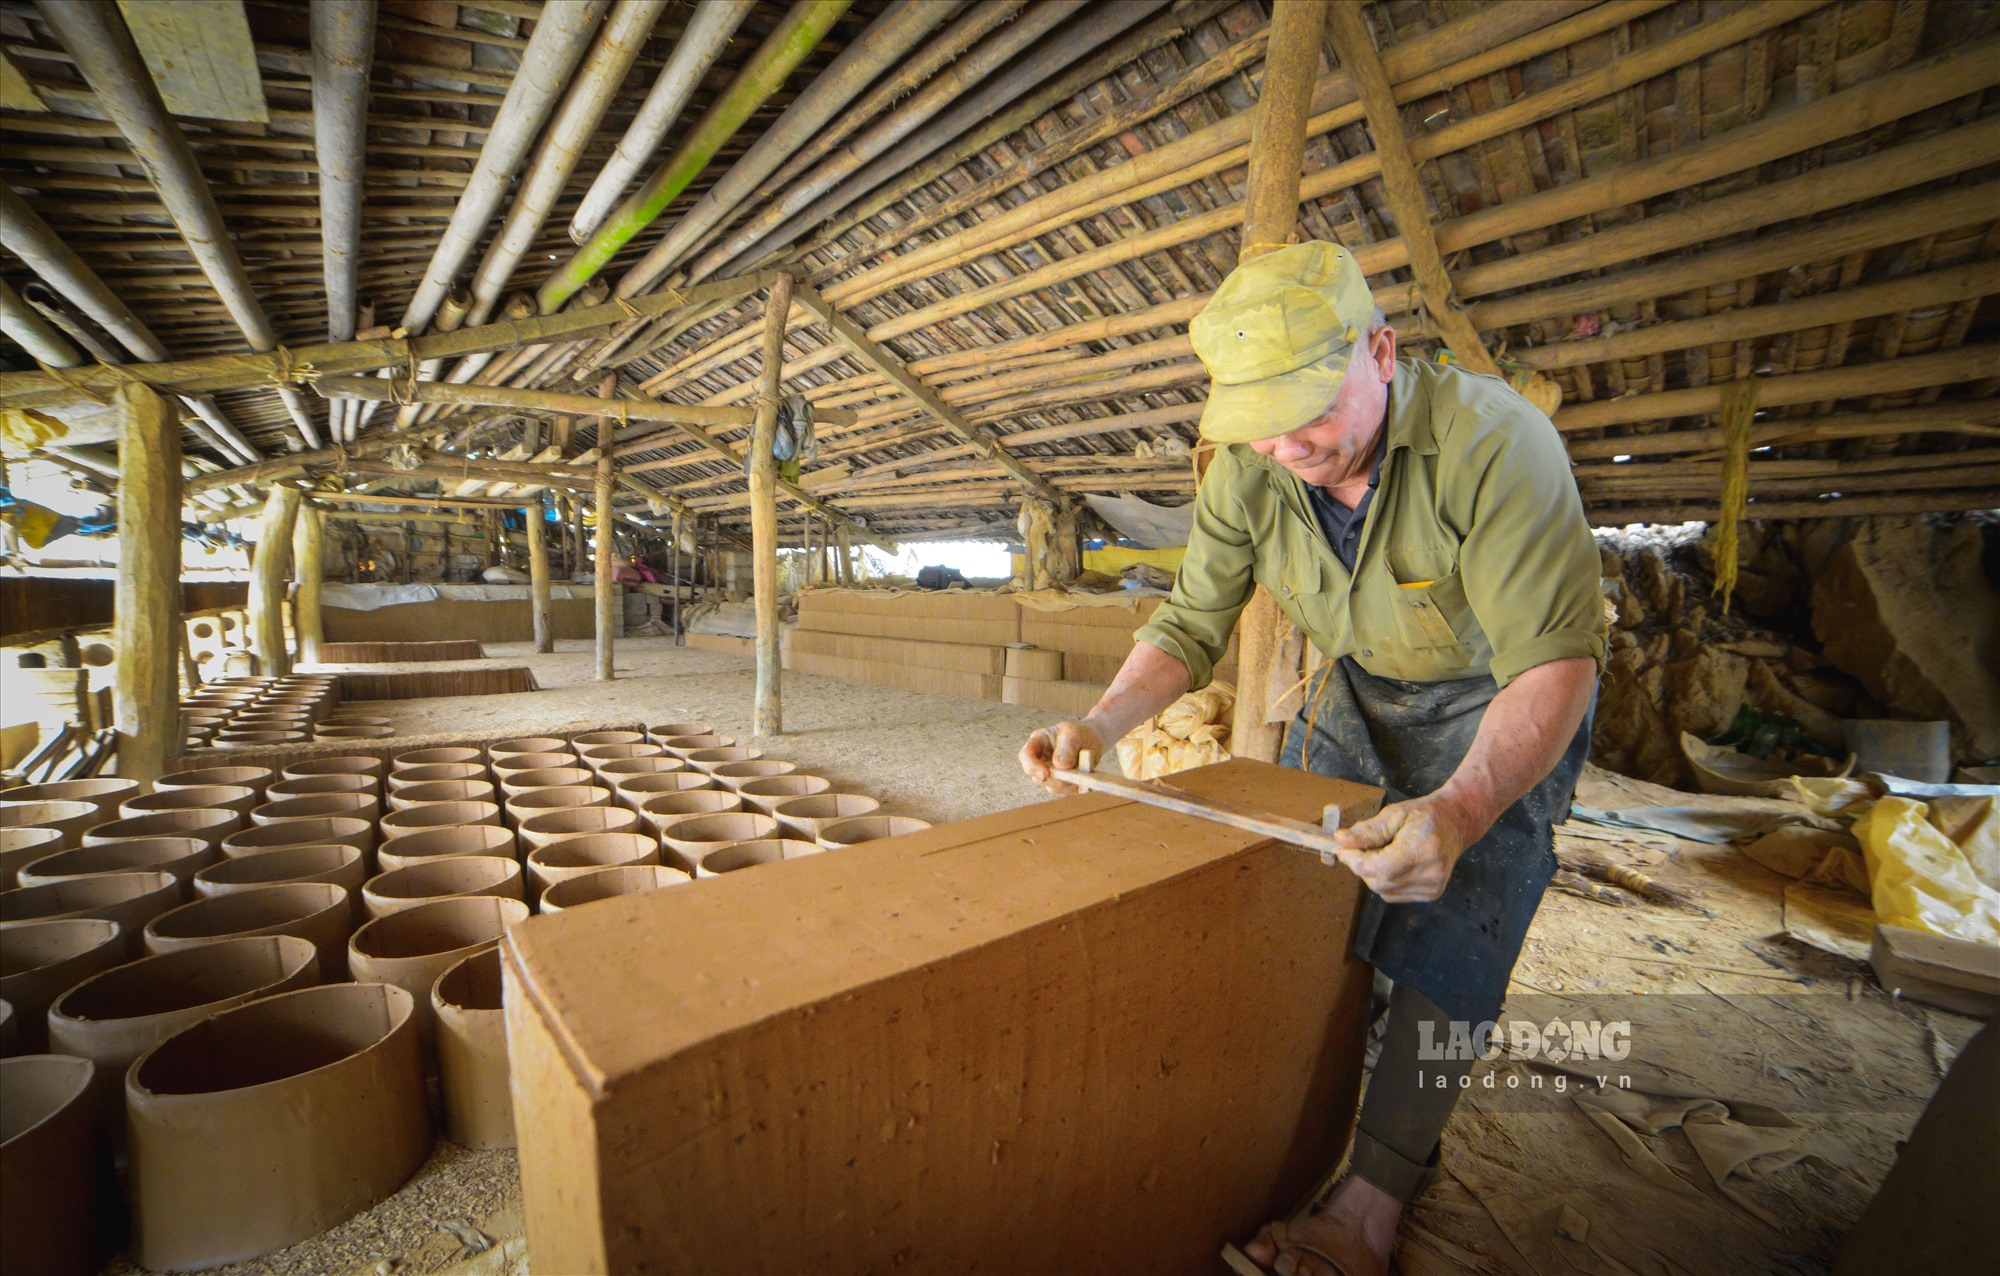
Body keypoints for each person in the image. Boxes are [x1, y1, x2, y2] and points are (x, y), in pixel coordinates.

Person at [1018, 241, 1606, 1276]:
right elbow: (1190, 619)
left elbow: (1554, 665)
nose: (1286, 444)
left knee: (1457, 925)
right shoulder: (1253, 465)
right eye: (1260, 421)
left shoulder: (1495, 447)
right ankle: (1286, 1124)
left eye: (1308, 410)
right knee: (1308, 895)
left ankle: (1370, 1202)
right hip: (1359, 689)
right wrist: (1099, 726)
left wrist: (1460, 811)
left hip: (1498, 704)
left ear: (1379, 352)